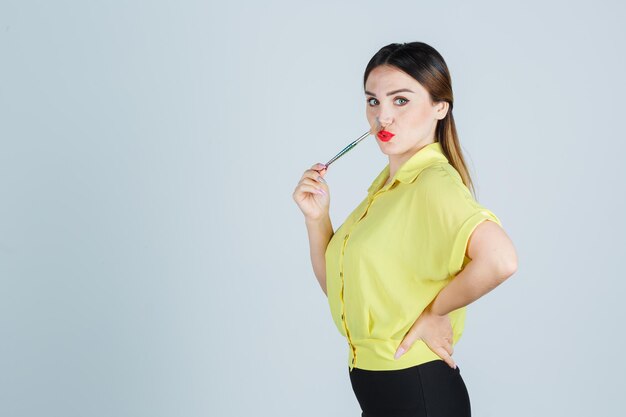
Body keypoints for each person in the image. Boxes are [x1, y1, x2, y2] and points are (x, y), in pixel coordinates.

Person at [292, 42, 518, 417]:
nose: (383, 116)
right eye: (372, 101)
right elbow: (340, 291)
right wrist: (317, 219)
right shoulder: (384, 192)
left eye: (400, 101)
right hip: (378, 390)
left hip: (417, 391)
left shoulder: (433, 182)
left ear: (440, 107)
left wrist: (437, 311)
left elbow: (501, 259)